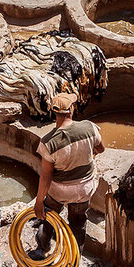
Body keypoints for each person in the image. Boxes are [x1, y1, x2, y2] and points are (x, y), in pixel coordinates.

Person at [32, 93, 105, 258]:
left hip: (59, 191)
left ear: (54, 113)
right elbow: (101, 149)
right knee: (78, 222)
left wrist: (38, 201)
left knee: (49, 217)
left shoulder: (47, 142)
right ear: (71, 109)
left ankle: (44, 247)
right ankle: (75, 257)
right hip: (84, 189)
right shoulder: (89, 127)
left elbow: (46, 176)